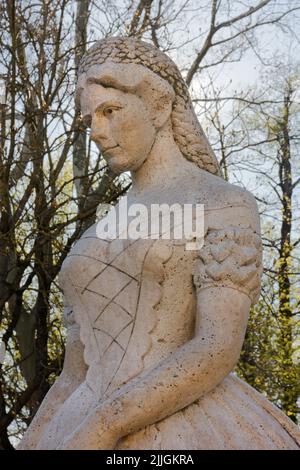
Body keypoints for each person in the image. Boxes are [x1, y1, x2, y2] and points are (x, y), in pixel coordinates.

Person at [19, 37, 300, 450]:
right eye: (89, 119)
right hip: (74, 427)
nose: (96, 132)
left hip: (181, 429)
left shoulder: (221, 204)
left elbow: (215, 347)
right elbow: (74, 373)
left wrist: (106, 425)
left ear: (160, 106)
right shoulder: (97, 233)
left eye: (111, 111)